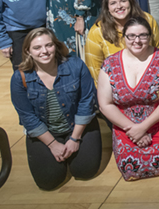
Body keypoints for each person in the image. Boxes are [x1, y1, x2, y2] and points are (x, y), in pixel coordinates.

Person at [10, 28, 101, 190]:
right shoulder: (20, 77)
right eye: (37, 48)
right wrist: (52, 144)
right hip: (45, 132)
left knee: (85, 171)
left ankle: (71, 148)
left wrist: (74, 138)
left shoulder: (76, 65)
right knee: (48, 181)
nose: (44, 51)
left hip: (78, 126)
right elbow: (27, 116)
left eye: (49, 45)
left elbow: (87, 101)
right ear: (28, 51)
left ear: (56, 46)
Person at [97, 16, 159, 181]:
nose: (137, 40)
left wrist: (144, 126)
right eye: (131, 36)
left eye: (143, 35)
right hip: (126, 125)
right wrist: (133, 129)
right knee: (129, 167)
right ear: (124, 38)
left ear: (150, 37)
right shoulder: (109, 64)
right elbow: (105, 104)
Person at [85, 0, 159, 81]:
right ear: (107, 8)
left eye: (123, 1)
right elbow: (95, 68)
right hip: (116, 87)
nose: (119, 6)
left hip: (149, 80)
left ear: (130, 2)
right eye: (113, 3)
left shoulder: (147, 20)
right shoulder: (97, 31)